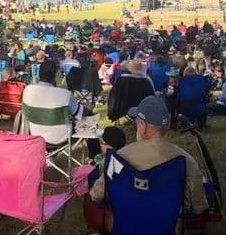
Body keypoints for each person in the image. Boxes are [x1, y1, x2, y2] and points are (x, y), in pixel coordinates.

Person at [89, 96, 208, 224]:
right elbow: (199, 206)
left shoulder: (119, 158)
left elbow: (97, 194)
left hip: (125, 227)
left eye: (137, 122)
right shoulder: (185, 160)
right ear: (167, 125)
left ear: (143, 126)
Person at [20, 59, 82, 145]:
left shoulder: (27, 90)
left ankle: (49, 155)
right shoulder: (65, 94)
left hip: (35, 133)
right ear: (56, 75)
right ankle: (94, 155)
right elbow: (79, 114)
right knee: (88, 119)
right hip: (61, 137)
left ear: (39, 73)